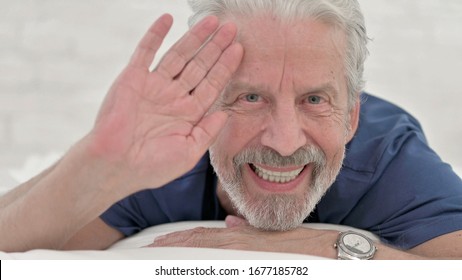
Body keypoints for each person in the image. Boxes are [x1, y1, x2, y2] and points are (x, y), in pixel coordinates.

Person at [1, 0, 461, 259]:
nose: (284, 141)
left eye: (315, 100)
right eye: (250, 98)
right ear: (204, 99)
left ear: (352, 118)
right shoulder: (165, 160)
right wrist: (93, 161)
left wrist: (333, 246)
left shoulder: (388, 158)